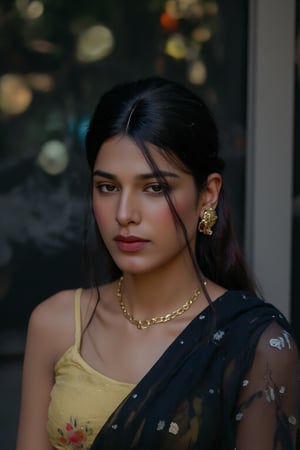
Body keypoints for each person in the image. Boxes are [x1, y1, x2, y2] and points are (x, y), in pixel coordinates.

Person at [16, 77, 299, 450]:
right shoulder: (56, 324)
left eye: (155, 188)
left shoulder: (254, 345)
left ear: (207, 195)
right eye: (107, 187)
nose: (124, 214)